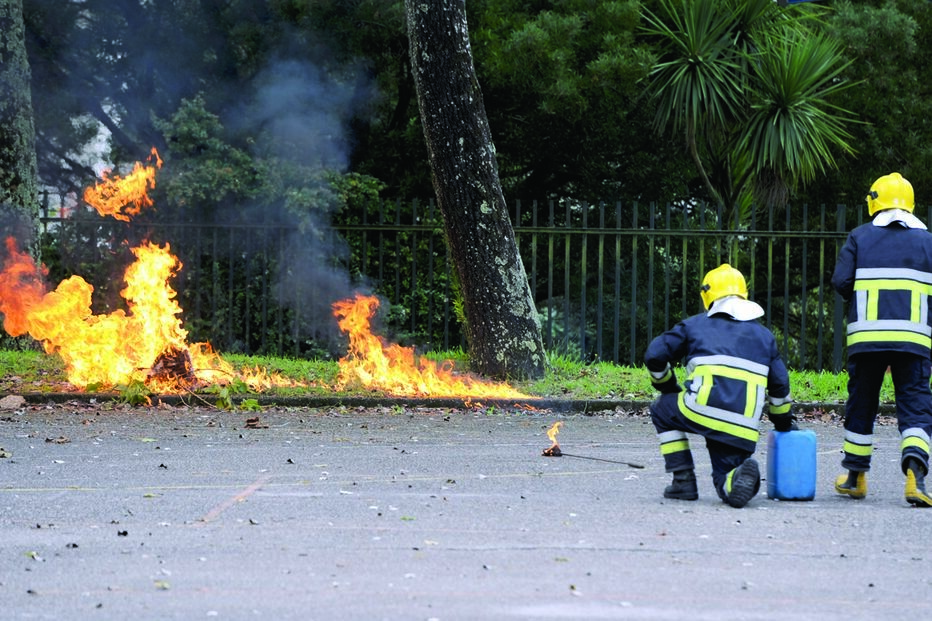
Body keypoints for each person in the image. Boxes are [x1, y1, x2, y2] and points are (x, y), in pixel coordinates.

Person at [644, 263, 794, 508]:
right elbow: (780, 386)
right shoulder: (765, 337)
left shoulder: (694, 326)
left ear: (707, 295)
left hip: (700, 409)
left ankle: (683, 481)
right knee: (724, 481)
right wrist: (784, 423)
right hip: (742, 426)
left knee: (662, 409)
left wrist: (667, 386)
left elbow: (654, 355)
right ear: (744, 294)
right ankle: (736, 476)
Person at [831, 172, 932, 508]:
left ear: (874, 203)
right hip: (914, 340)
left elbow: (841, 281)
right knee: (915, 404)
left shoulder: (859, 237)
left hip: (867, 339)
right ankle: (916, 477)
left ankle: (855, 478)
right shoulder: (928, 242)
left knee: (862, 403)